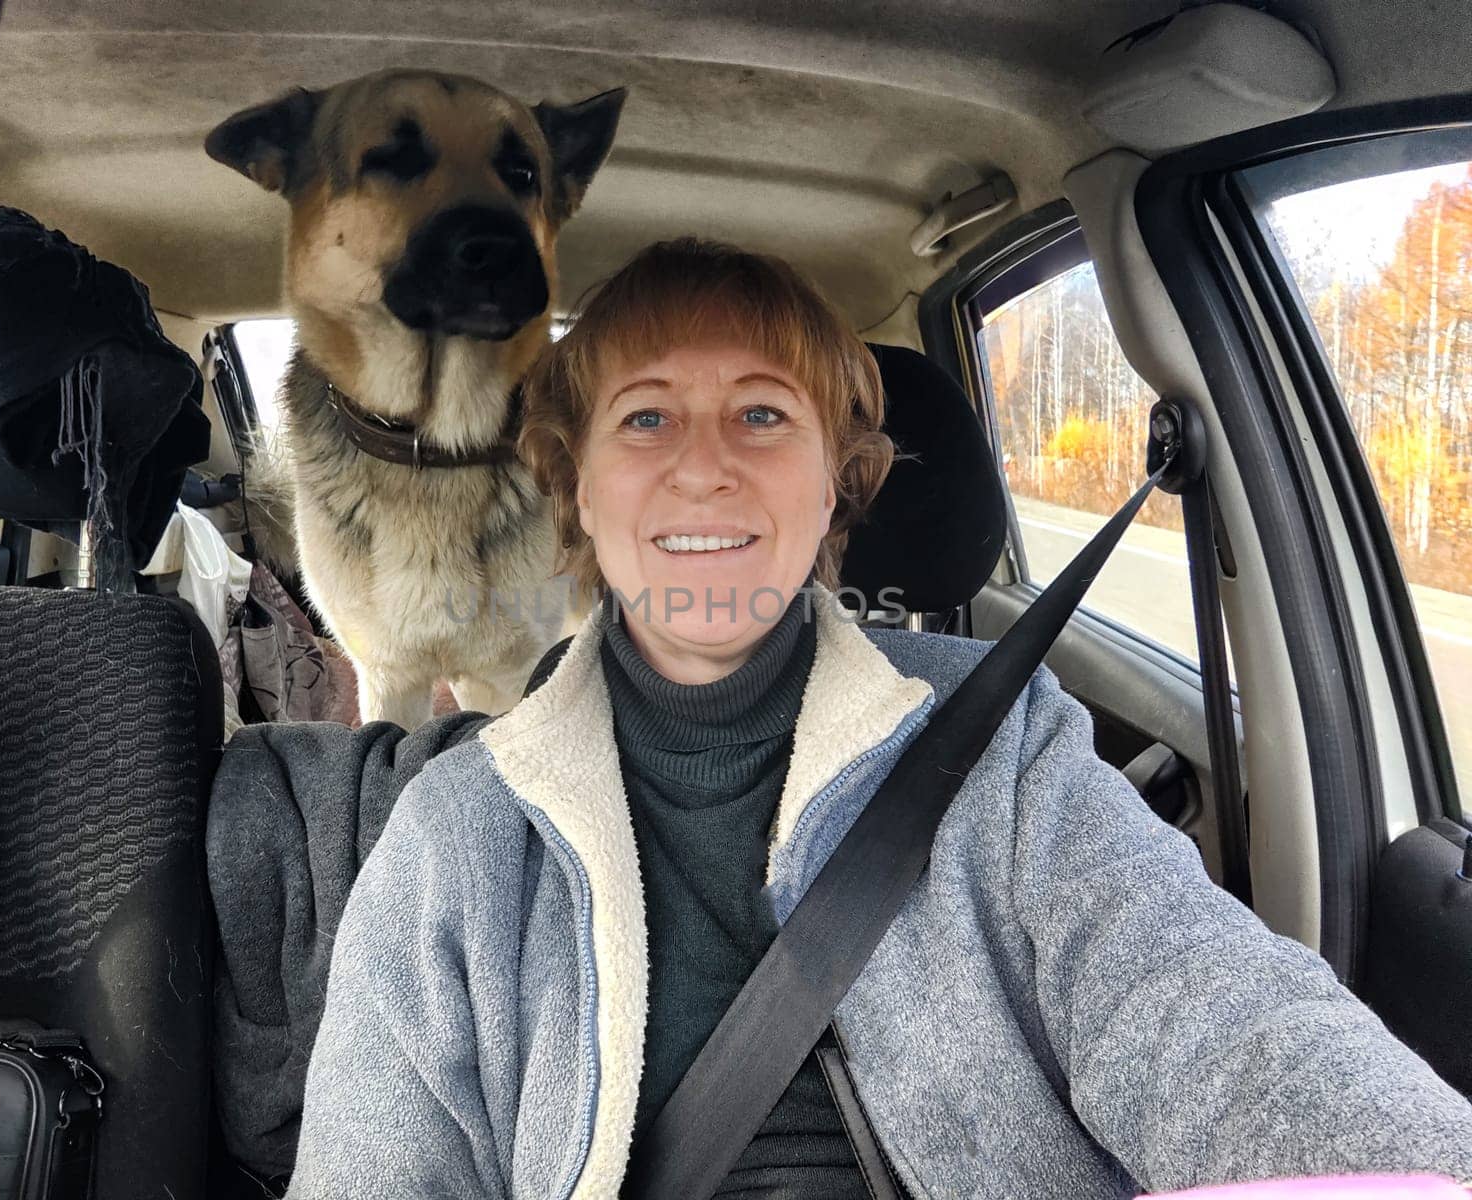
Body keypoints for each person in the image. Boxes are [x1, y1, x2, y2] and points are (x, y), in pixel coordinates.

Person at [286, 238, 1472, 1199]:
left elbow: (1212, 1016)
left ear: (834, 480)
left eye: (763, 417)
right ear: (576, 484)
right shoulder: (454, 839)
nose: (705, 469)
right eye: (644, 419)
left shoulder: (1001, 744)